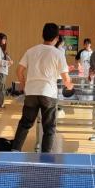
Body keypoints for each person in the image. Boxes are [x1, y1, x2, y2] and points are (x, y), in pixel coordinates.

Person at [11, 23, 73, 153]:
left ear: (42, 35)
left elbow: (19, 70)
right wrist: (70, 86)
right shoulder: (58, 53)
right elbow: (66, 79)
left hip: (31, 92)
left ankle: (15, 151)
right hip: (48, 93)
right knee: (49, 128)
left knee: (25, 124)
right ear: (57, 38)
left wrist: (23, 83)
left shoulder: (31, 51)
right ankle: (46, 157)